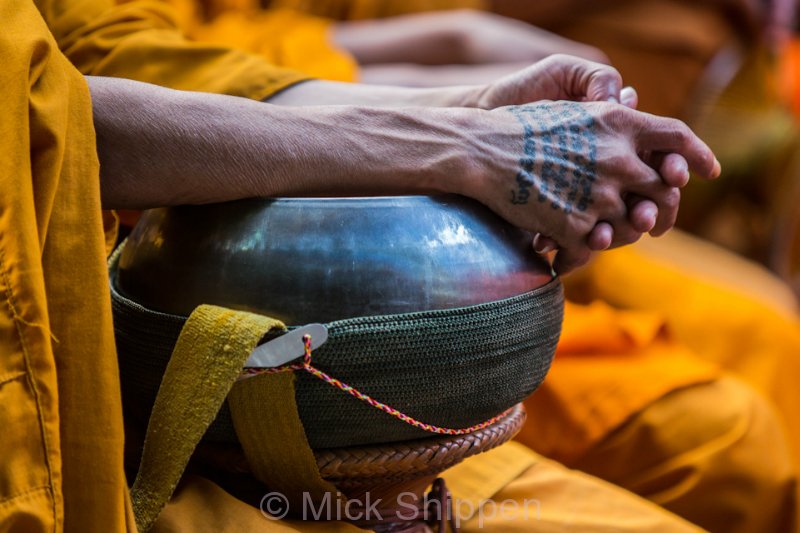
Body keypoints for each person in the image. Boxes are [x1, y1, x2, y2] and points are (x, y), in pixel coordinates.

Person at [7, 1, 793, 533]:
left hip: (391, 274)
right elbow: (65, 115)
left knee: (770, 340)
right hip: (163, 391)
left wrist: (477, 94)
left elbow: (201, 56)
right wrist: (474, 140)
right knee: (728, 440)